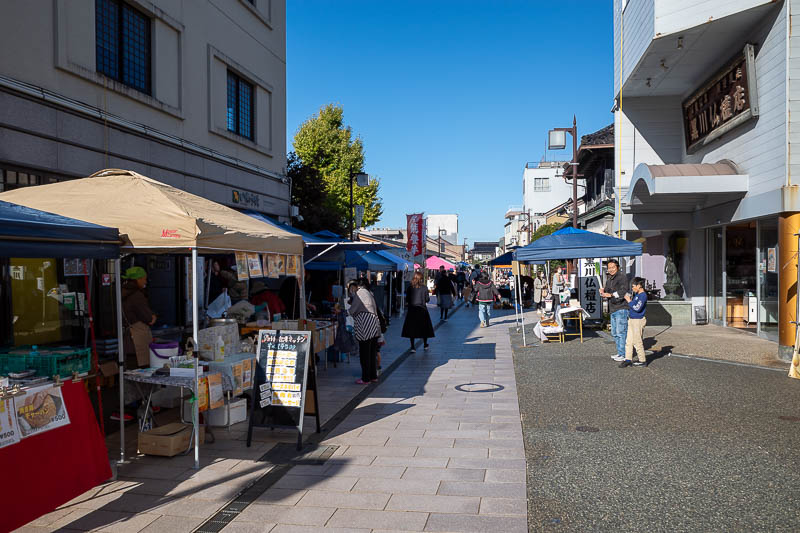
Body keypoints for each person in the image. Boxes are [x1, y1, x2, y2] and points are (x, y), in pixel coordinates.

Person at [348, 279, 381, 384]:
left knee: (364, 353)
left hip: (365, 326)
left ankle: (365, 378)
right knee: (372, 353)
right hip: (374, 325)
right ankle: (373, 376)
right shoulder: (369, 293)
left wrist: (344, 311)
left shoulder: (360, 292)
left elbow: (353, 309)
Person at [600, 259, 630, 362]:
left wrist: (611, 294)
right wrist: (603, 292)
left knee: (621, 332)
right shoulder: (609, 280)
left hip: (621, 308)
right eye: (609, 268)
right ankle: (620, 352)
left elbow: (623, 291)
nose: (611, 269)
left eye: (613, 267)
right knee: (615, 333)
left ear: (617, 267)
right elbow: (607, 293)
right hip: (612, 309)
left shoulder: (622, 277)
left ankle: (625, 354)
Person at [402, 271, 435, 352]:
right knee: (424, 327)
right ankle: (425, 344)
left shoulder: (410, 287)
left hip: (412, 310)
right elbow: (427, 299)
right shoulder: (424, 288)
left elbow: (407, 299)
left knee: (412, 328)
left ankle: (412, 347)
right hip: (422, 309)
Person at [619, 277, 648, 368]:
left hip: (638, 320)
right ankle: (628, 359)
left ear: (639, 286)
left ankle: (642, 360)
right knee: (629, 341)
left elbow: (637, 308)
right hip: (632, 319)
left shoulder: (643, 295)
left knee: (637, 341)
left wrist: (629, 301)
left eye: (633, 286)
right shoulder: (637, 295)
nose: (632, 288)